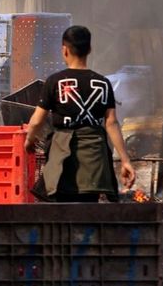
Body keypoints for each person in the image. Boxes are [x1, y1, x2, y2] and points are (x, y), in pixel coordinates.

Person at [25, 26, 136, 202]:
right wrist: (125, 160)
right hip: (94, 160)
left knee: (60, 211)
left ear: (64, 50)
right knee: (87, 211)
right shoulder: (103, 83)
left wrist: (29, 141)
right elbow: (111, 123)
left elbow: (36, 122)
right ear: (89, 50)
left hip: (62, 159)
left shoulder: (55, 81)